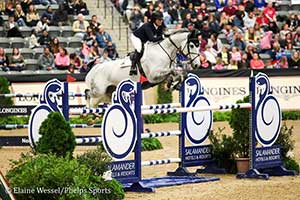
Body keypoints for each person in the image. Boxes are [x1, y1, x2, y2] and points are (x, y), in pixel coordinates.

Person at [129, 11, 164, 75]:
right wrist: (163, 36)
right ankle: (133, 67)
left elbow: (159, 38)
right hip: (136, 37)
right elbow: (152, 39)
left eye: (161, 19)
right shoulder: (147, 26)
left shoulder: (160, 26)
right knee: (140, 49)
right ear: (154, 20)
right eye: (159, 20)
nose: (161, 21)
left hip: (145, 39)